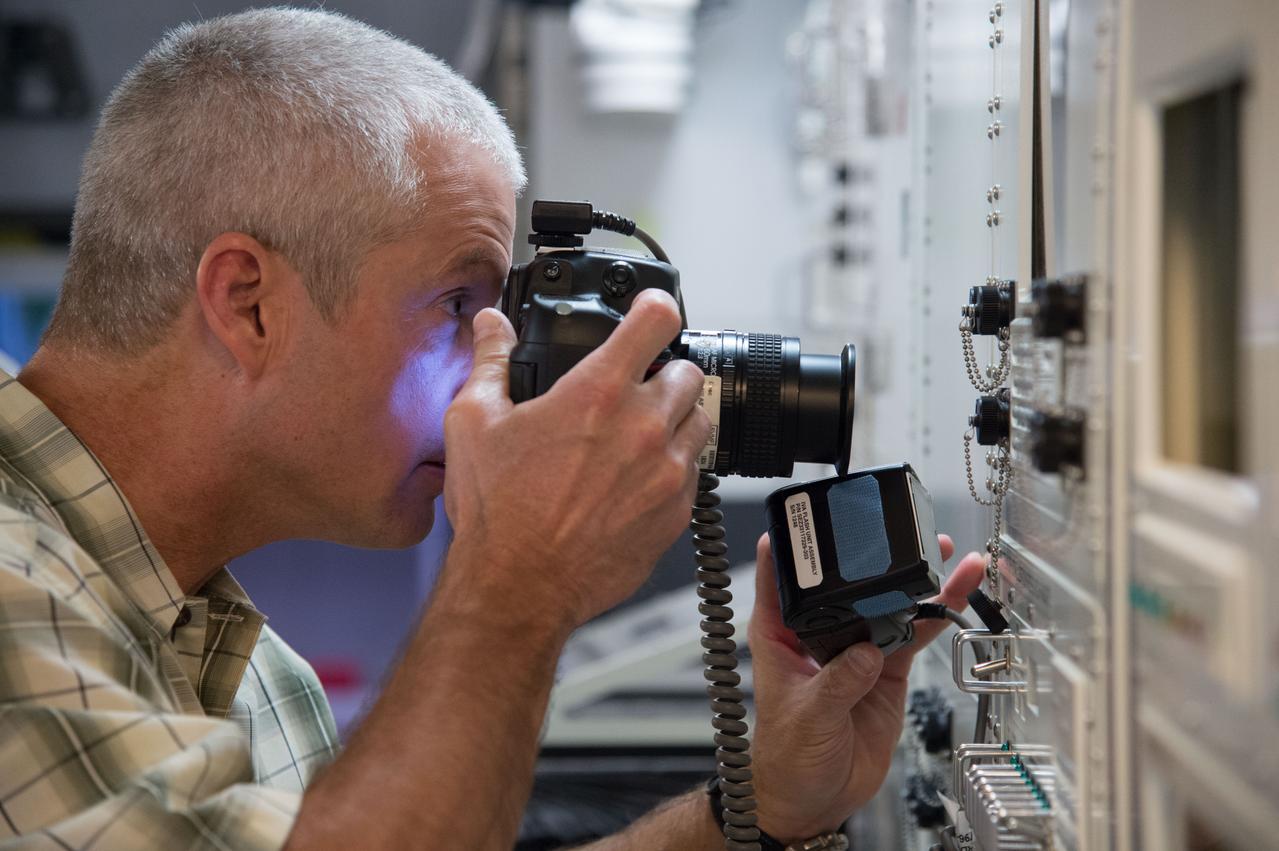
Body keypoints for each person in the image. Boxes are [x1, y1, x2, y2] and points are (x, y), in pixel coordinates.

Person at [0, 8, 984, 850]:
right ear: (249, 302)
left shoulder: (245, 659)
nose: (496, 371)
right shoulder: (16, 600)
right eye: (456, 303)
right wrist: (518, 578)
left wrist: (754, 810)